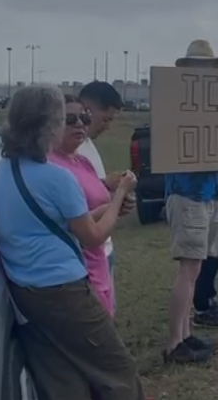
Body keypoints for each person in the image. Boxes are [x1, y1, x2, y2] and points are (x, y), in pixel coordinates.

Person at [0, 86, 145, 400]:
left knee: (62, 381)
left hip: (26, 291)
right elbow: (94, 237)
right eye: (65, 118)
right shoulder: (58, 178)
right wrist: (118, 198)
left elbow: (47, 222)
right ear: (50, 125)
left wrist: (101, 209)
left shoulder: (4, 170)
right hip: (64, 290)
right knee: (118, 370)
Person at [164, 39, 218, 364]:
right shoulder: (176, 103)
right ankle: (175, 342)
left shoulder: (215, 105)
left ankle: (186, 334)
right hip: (188, 192)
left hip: (210, 191)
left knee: (196, 266)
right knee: (189, 268)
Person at [49, 94, 133, 317]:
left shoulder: (82, 160)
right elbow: (77, 225)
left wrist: (117, 202)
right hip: (77, 268)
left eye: (84, 118)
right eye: (70, 119)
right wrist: (119, 197)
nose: (79, 124)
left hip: (99, 261)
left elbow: (98, 202)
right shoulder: (51, 167)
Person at [75, 81, 129, 305]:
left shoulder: (87, 143)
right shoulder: (69, 149)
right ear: (87, 109)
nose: (107, 126)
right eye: (105, 119)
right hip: (86, 251)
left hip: (103, 247)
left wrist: (111, 191)